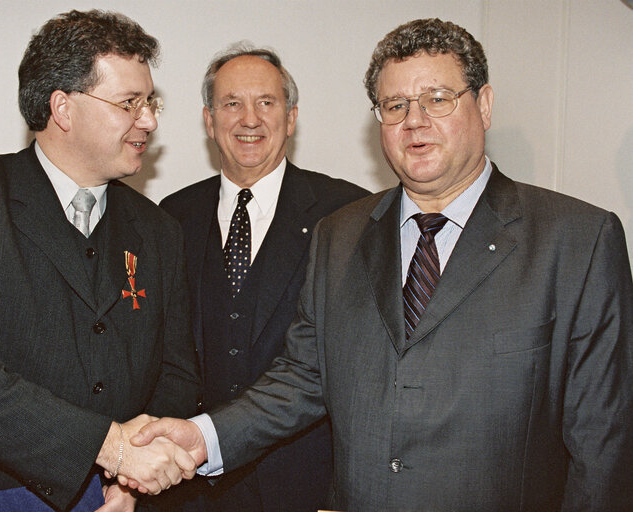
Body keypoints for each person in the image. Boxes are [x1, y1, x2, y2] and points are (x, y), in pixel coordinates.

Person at [130, 18, 633, 511]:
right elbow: (304, 377)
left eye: (437, 99)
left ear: (483, 105)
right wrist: (203, 437)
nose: (414, 120)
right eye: (395, 105)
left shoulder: (577, 242)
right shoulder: (340, 235)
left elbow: (603, 444)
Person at [0, 10, 199, 512]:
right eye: (129, 103)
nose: (149, 120)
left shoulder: (159, 229)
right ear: (63, 108)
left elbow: (177, 373)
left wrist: (131, 480)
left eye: (150, 102)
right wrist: (108, 447)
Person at [157, 45, 369, 511]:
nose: (249, 119)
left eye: (266, 103)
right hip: (190, 485)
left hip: (307, 484)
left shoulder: (349, 214)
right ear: (209, 121)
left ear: (291, 118)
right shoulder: (171, 217)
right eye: (232, 103)